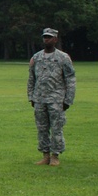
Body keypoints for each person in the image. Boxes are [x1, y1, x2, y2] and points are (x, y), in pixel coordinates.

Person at [27, 28, 76, 166]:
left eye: (49, 37)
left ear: (55, 39)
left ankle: (55, 155)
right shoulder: (36, 57)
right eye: (45, 37)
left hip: (56, 99)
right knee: (42, 128)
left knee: (56, 128)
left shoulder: (63, 57)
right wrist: (31, 96)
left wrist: (68, 99)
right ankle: (45, 155)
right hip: (40, 99)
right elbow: (31, 78)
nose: (46, 39)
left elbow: (70, 79)